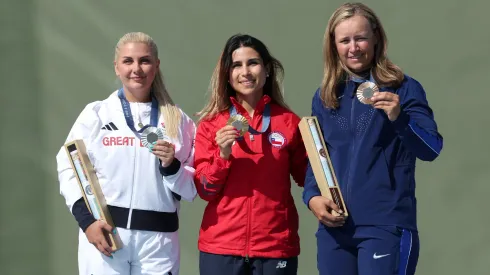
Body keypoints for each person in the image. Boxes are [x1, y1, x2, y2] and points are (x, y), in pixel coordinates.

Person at [302, 3, 443, 275]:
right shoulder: (325, 97)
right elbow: (316, 157)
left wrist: (399, 118)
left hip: (385, 225)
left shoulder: (404, 88)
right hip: (335, 231)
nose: (353, 47)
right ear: (333, 45)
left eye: (360, 37)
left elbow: (431, 148)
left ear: (376, 37)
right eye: (344, 40)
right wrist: (312, 198)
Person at [56, 32, 197, 275]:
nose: (137, 69)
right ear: (116, 67)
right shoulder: (96, 114)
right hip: (107, 236)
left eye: (144, 60)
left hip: (158, 243)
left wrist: (171, 166)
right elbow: (69, 167)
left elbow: (192, 188)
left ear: (157, 65)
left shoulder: (177, 121)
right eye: (128, 61)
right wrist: (87, 222)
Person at [193, 34, 308, 275]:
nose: (245, 72)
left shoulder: (289, 122)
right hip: (221, 248)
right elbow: (205, 190)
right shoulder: (211, 125)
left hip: (275, 247)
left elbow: (309, 178)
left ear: (266, 69)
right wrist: (223, 155)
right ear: (227, 73)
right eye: (236, 65)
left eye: (253, 63)